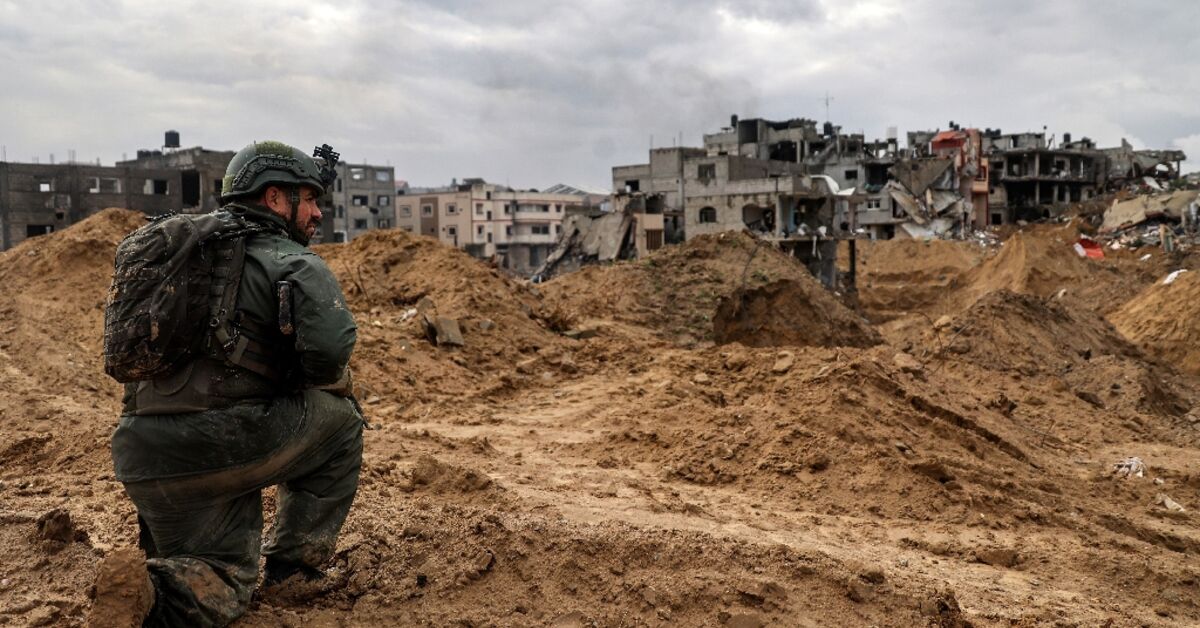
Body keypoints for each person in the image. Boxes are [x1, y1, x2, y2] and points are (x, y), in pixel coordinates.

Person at [90, 141, 363, 628]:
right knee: (343, 423)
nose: (318, 213)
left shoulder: (183, 252)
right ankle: (294, 571)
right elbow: (329, 354)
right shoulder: (293, 261)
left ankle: (144, 593)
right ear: (275, 197)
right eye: (310, 199)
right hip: (223, 443)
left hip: (143, 456)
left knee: (215, 573)